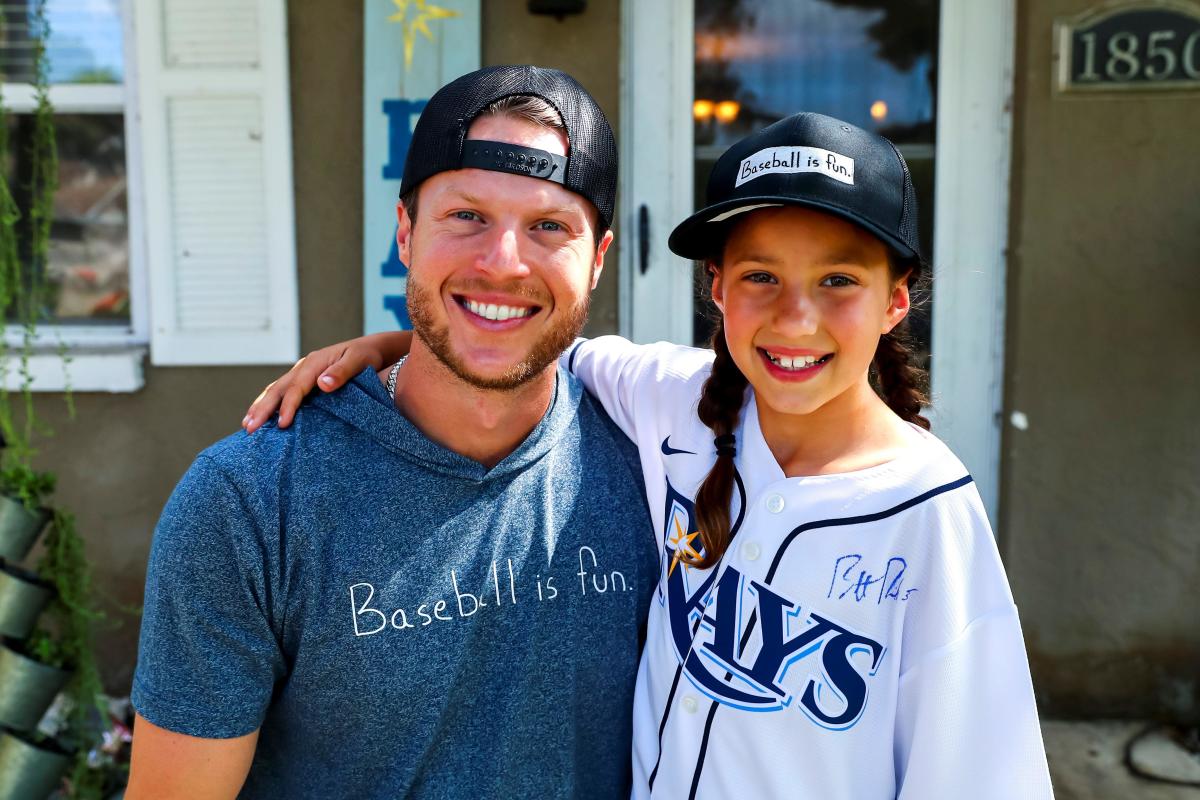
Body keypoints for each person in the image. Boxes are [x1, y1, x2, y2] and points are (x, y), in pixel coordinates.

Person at [248, 111, 1054, 798]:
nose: (796, 318)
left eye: (839, 279)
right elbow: (528, 336)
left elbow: (982, 774)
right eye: (761, 276)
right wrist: (395, 344)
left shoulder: (930, 512)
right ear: (716, 287)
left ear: (898, 299)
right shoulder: (673, 396)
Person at [128, 65, 660, 800]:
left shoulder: (662, 467)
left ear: (597, 261)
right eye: (466, 216)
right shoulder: (251, 501)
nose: (502, 262)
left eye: (549, 227)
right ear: (405, 233)